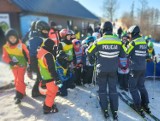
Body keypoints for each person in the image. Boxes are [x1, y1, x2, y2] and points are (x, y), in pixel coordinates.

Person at [87, 21, 125, 120]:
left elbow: (88, 51)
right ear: (111, 30)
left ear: (102, 30)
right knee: (113, 90)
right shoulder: (118, 41)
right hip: (113, 70)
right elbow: (124, 55)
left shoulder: (98, 41)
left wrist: (91, 61)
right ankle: (115, 110)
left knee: (102, 90)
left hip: (101, 70)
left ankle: (105, 110)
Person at [127, 25, 150, 116]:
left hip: (134, 68)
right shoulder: (144, 41)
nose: (129, 36)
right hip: (143, 67)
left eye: (130, 34)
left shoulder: (133, 43)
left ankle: (137, 106)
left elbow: (125, 53)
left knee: (133, 87)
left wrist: (125, 45)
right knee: (141, 86)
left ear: (133, 33)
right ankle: (145, 104)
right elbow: (147, 55)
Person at [2, 28, 30, 104]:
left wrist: (30, 63)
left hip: (22, 65)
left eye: (14, 38)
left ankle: (19, 95)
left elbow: (28, 54)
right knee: (16, 79)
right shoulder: (5, 47)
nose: (13, 39)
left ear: (17, 37)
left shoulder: (21, 45)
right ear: (8, 39)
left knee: (19, 80)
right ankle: (22, 92)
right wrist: (10, 61)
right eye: (11, 38)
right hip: (13, 66)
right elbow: (4, 56)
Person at [37, 39, 60, 114]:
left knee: (49, 92)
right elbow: (51, 68)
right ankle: (47, 108)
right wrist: (56, 78)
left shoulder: (41, 51)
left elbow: (44, 61)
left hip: (44, 75)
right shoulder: (48, 55)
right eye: (53, 47)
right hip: (50, 77)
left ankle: (50, 103)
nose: (54, 48)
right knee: (52, 93)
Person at [28, 20, 50, 97]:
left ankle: (36, 92)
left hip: (41, 59)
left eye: (47, 31)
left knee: (40, 77)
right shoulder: (35, 38)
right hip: (36, 60)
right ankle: (39, 92)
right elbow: (33, 51)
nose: (46, 32)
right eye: (44, 30)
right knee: (41, 77)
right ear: (39, 30)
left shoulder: (41, 37)